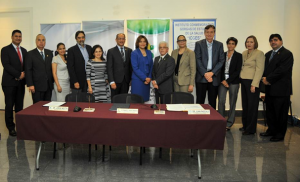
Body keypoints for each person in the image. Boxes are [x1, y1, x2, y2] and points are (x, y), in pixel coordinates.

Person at [260, 34, 293, 142]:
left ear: (281, 41)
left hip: (281, 90)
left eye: (275, 40)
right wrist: (264, 79)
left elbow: (282, 70)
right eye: (271, 40)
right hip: (269, 89)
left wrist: (268, 79)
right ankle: (271, 130)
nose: (273, 42)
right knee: (271, 112)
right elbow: (265, 69)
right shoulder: (268, 54)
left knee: (280, 113)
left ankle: (279, 134)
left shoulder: (287, 54)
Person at [1, 30, 27, 136]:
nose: (18, 38)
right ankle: (11, 128)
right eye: (16, 36)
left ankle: (20, 126)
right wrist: (18, 74)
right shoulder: (5, 50)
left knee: (19, 106)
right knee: (9, 106)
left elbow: (27, 65)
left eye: (20, 36)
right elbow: (6, 65)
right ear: (12, 37)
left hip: (21, 83)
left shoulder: (24, 51)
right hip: (9, 83)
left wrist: (24, 74)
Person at [194, 25, 225, 109]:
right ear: (204, 33)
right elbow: (198, 60)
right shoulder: (199, 44)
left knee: (212, 102)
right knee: (200, 102)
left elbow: (221, 61)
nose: (209, 34)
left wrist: (212, 73)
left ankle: (212, 121)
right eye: (207, 32)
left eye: (211, 32)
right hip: (201, 76)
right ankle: (199, 121)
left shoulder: (219, 45)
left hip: (214, 77)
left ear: (214, 33)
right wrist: (205, 73)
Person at [240, 35, 265, 135]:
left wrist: (254, 84)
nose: (249, 44)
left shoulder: (259, 53)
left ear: (255, 43)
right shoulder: (244, 53)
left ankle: (251, 129)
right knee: (245, 105)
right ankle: (245, 125)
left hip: (252, 82)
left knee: (252, 106)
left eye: (251, 42)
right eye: (247, 42)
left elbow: (259, 69)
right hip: (244, 81)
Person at [218, 37, 242, 131]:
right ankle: (221, 121)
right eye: (229, 43)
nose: (230, 45)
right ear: (227, 44)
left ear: (235, 45)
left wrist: (228, 81)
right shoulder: (222, 55)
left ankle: (230, 122)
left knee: (232, 102)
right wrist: (224, 80)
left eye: (232, 43)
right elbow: (219, 68)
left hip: (234, 81)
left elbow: (237, 71)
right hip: (223, 81)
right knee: (221, 101)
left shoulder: (239, 56)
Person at [26, 34, 54, 103]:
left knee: (47, 106)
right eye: (39, 40)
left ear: (45, 42)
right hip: (36, 86)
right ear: (36, 41)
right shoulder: (30, 54)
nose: (41, 42)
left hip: (48, 86)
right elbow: (28, 70)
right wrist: (30, 84)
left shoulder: (49, 53)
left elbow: (51, 68)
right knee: (37, 108)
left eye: (43, 40)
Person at [107, 33, 132, 99]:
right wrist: (111, 81)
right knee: (115, 100)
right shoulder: (111, 51)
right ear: (116, 40)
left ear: (125, 40)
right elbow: (109, 67)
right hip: (115, 81)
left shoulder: (129, 51)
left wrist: (131, 79)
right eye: (119, 39)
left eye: (123, 39)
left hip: (126, 81)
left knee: (124, 100)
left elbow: (130, 66)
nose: (121, 40)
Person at [131, 35, 153, 102]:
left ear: (146, 43)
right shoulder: (134, 53)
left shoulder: (149, 52)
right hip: (138, 80)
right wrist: (145, 78)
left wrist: (149, 77)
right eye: (140, 42)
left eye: (144, 41)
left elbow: (151, 66)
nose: (142, 43)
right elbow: (135, 68)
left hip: (147, 81)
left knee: (145, 100)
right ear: (137, 43)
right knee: (137, 100)